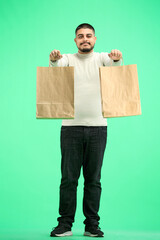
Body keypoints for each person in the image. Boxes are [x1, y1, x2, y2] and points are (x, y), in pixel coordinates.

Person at [49, 23, 122, 237]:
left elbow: (115, 66)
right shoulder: (68, 59)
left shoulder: (102, 58)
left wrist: (117, 57)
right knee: (68, 179)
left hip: (99, 128)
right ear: (75, 41)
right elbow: (56, 66)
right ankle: (65, 224)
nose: (85, 39)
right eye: (80, 36)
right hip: (70, 128)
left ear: (95, 39)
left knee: (93, 179)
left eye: (88, 36)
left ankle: (92, 225)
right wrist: (53, 58)